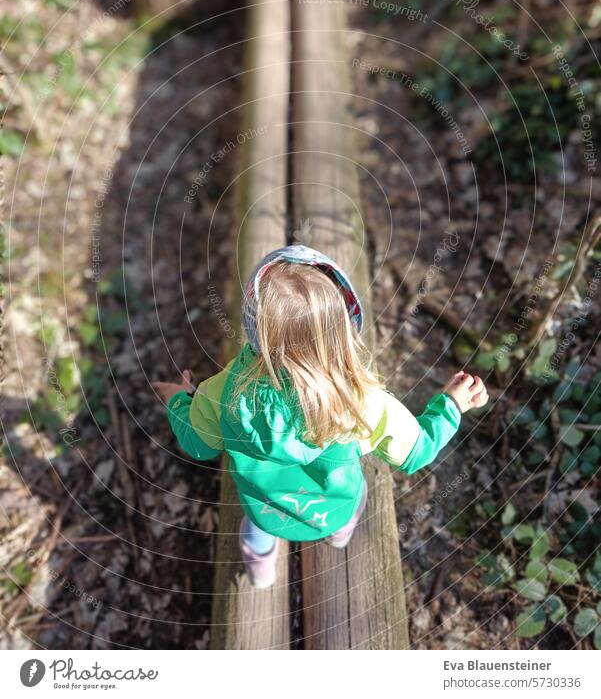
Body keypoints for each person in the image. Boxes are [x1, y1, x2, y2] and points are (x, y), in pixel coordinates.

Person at [153, 245, 488, 589]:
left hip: (267, 511)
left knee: (255, 532)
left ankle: (261, 573)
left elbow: (198, 444)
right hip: (333, 509)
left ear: (255, 332)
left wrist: (178, 400)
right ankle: (339, 536)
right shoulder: (363, 402)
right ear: (343, 327)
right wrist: (450, 405)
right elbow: (417, 452)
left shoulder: (222, 394)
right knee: (354, 503)